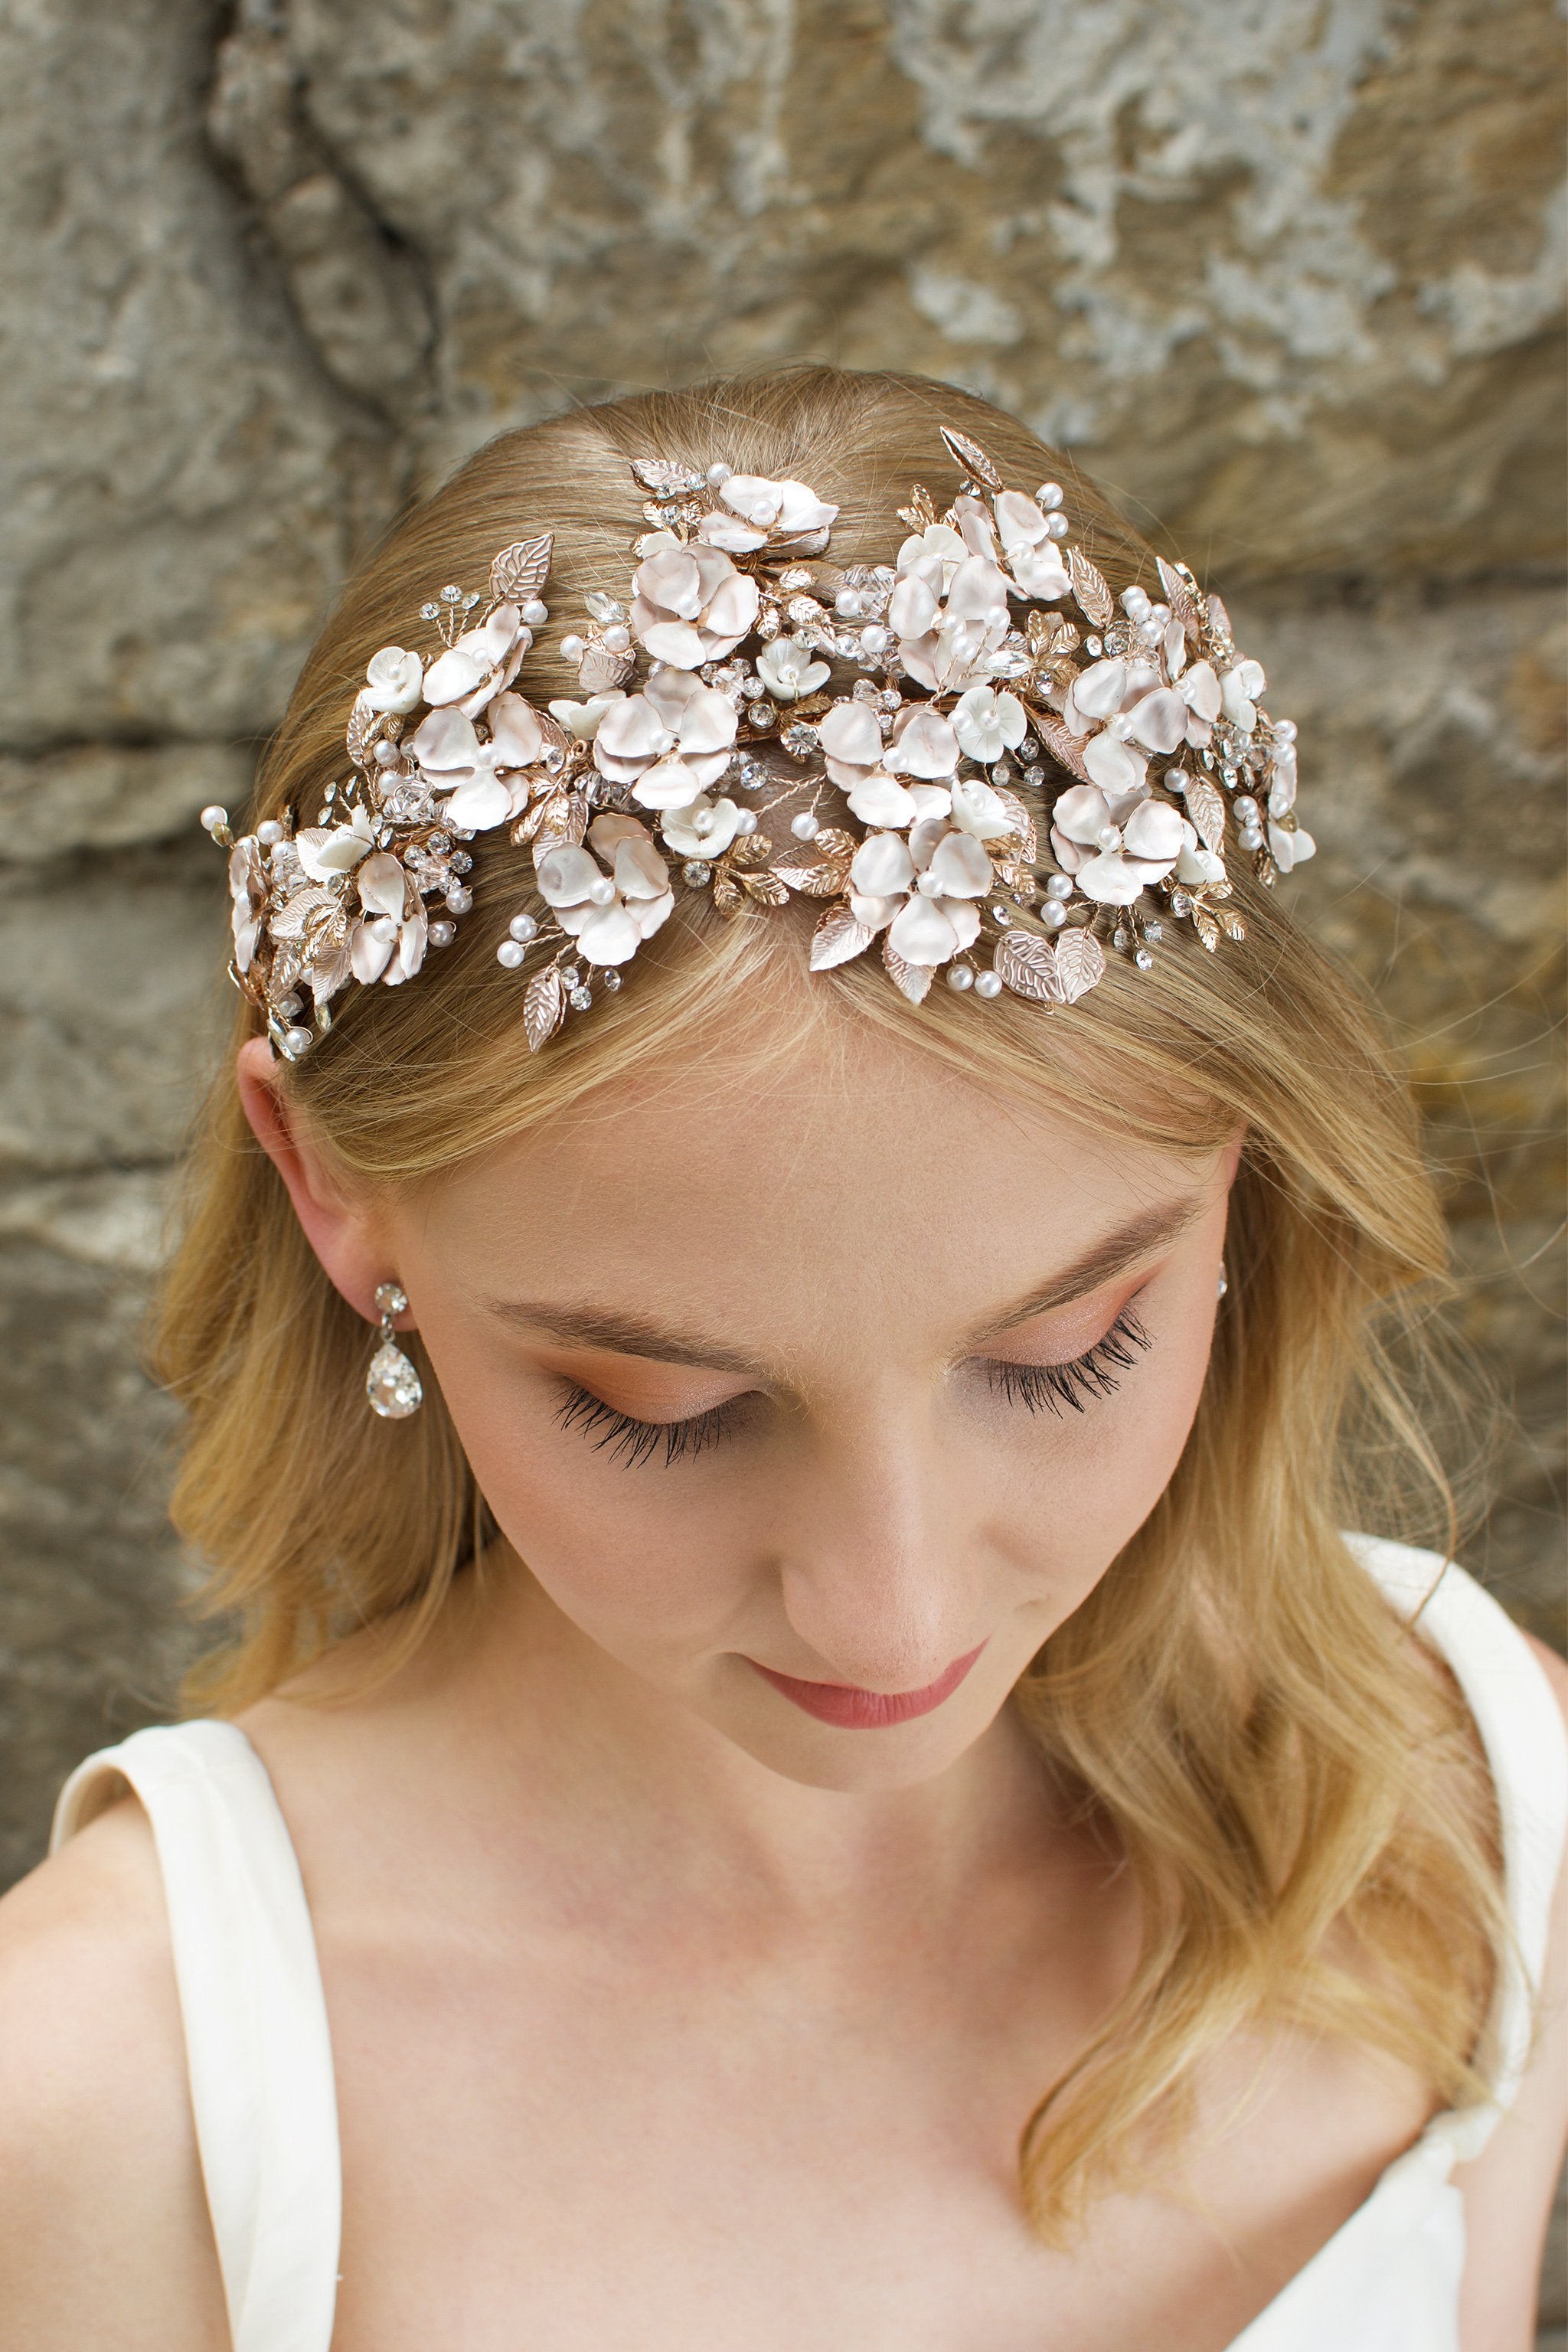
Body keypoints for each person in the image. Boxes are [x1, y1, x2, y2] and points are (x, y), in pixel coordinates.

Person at [0, 366, 1561, 2352]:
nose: (891, 1601)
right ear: (331, 1193)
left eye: (1075, 1350)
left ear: (1237, 1176)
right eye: (668, 1408)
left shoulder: (1450, 1803)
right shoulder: (103, 2109)